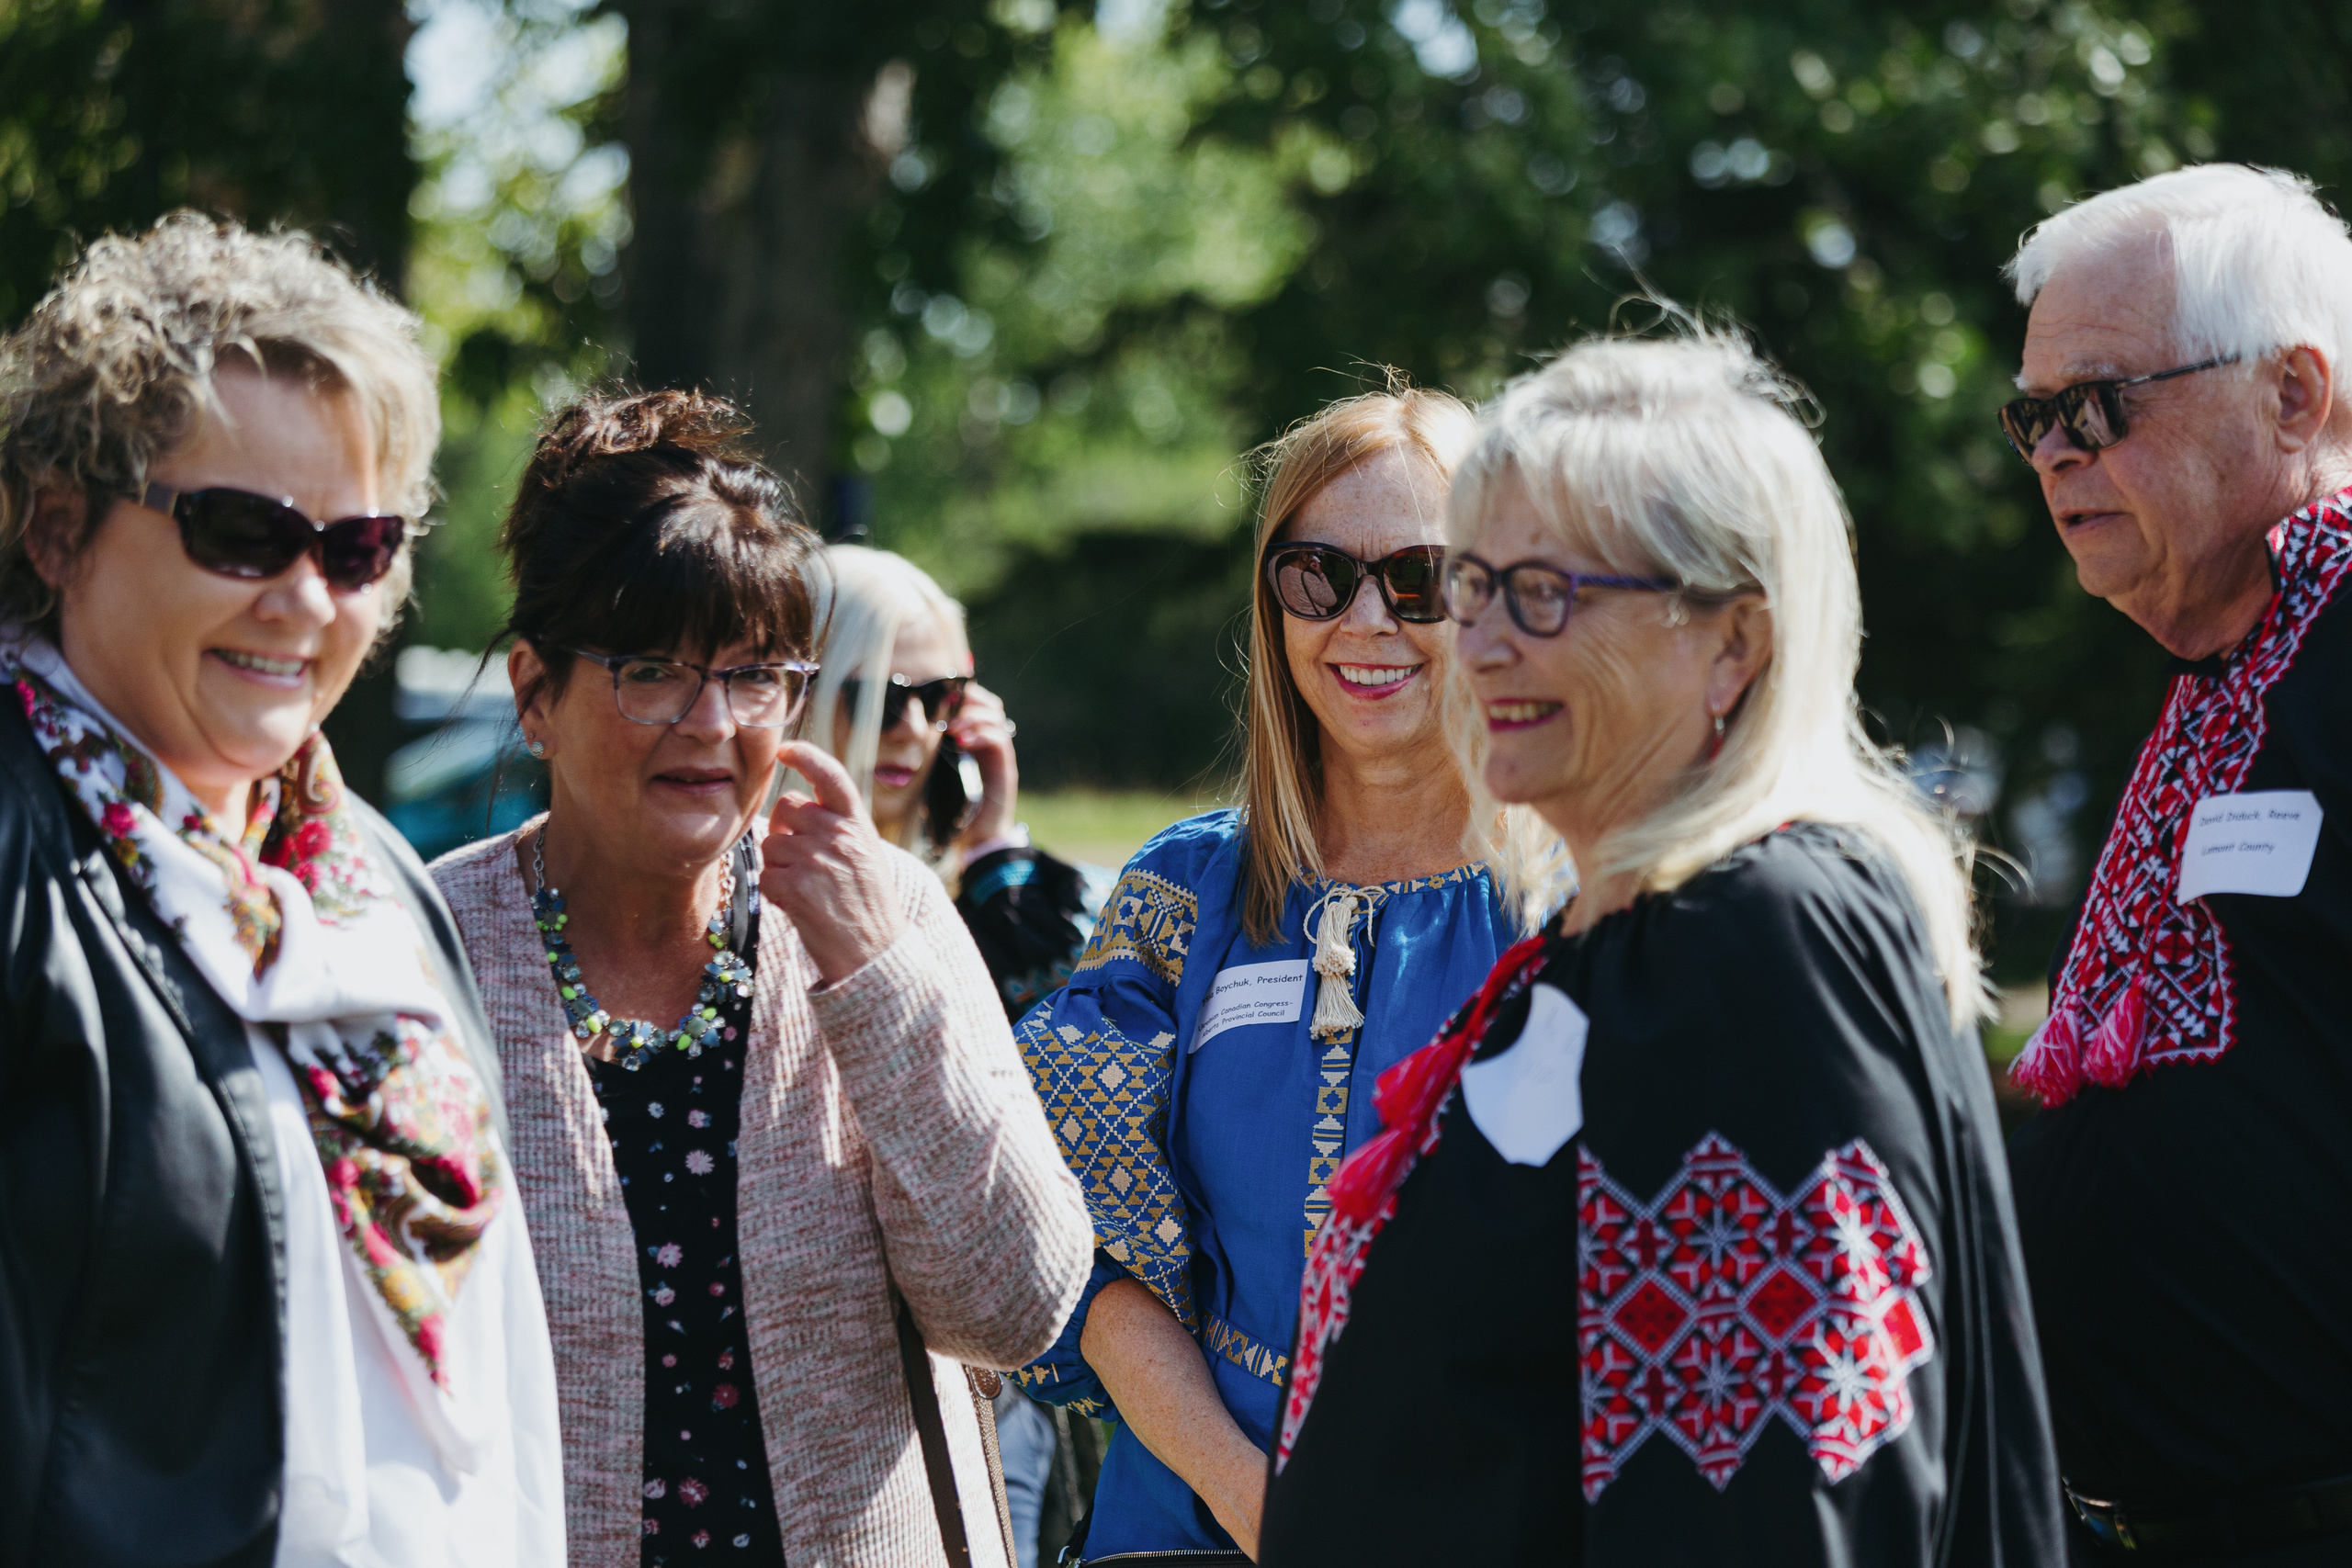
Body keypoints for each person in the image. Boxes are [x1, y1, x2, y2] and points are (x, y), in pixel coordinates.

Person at [1260, 331, 2064, 1565]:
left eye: (1545, 592)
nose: (1476, 645)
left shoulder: (1755, 938)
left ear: (1734, 640)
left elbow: (1780, 1486)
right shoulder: (1624, 935)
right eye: (1470, 586)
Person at [427, 388, 1091, 1568]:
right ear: (536, 692)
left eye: (753, 673)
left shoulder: (881, 915)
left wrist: (871, 977)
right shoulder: (429, 949)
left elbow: (1015, 1308)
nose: (712, 722)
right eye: (650, 670)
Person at [0, 213, 563, 1565]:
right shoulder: (19, 865)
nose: (306, 599)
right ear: (59, 527)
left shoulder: (371, 884)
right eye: (242, 530)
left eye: (358, 545)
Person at [1012, 382, 1551, 1563]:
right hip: (1187, 1525)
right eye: (1318, 575)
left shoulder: (1588, 904)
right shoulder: (1181, 893)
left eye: (1419, 580)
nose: (1364, 621)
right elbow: (1079, 1238)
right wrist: (1254, 1499)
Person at [1996, 165, 2352, 1564]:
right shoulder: (2229, 669)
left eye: (2098, 404)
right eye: (2032, 418)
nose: (2053, 454)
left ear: (2291, 394)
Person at [805, 543, 1108, 1568]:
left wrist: (993, 843)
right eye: (880, 694)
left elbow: (1074, 1102)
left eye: (941, 697)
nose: (913, 728)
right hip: (847, 1408)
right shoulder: (761, 897)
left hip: (1011, 1372)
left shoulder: (983, 888)